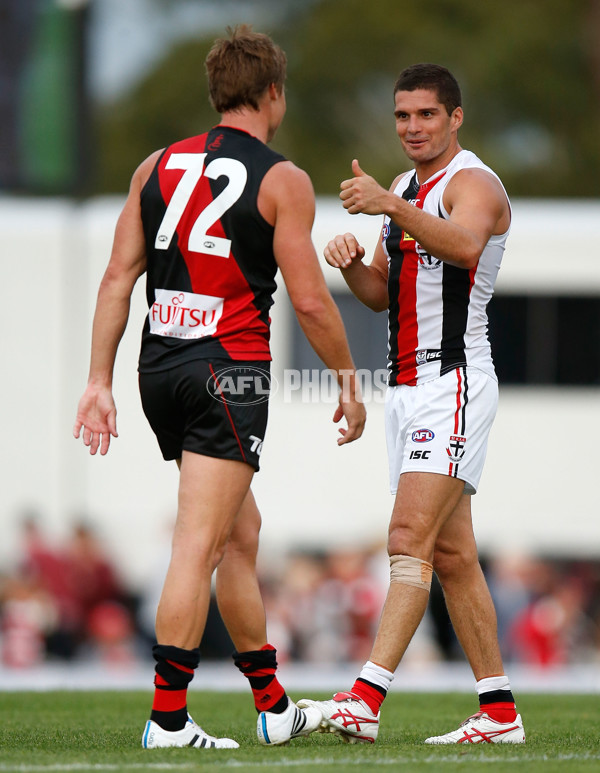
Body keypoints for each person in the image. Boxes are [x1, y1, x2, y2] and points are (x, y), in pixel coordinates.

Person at [73, 25, 365, 750]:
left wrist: (96, 381)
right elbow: (309, 299)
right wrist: (349, 379)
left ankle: (271, 703)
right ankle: (167, 717)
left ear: (214, 92)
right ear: (274, 93)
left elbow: (117, 278)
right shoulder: (282, 178)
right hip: (227, 370)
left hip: (158, 370)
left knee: (241, 531)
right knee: (198, 542)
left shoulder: (154, 166)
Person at [298, 63, 525, 745]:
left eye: (426, 114)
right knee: (452, 556)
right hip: (404, 389)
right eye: (403, 116)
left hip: (452, 382)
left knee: (405, 542)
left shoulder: (474, 184)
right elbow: (381, 292)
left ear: (455, 118)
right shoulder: (402, 186)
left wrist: (391, 208)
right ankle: (500, 712)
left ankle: (364, 698)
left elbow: (461, 245)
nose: (412, 128)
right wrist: (347, 263)